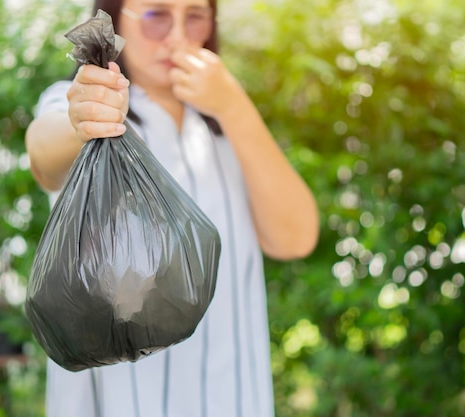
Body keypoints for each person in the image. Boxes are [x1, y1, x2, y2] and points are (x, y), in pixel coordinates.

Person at [24, 0, 319, 415]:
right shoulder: (85, 103)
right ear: (114, 14)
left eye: (195, 15)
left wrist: (234, 106)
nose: (178, 36)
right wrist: (84, 119)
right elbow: (43, 155)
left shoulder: (225, 129)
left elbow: (295, 238)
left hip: (235, 398)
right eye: (156, 14)